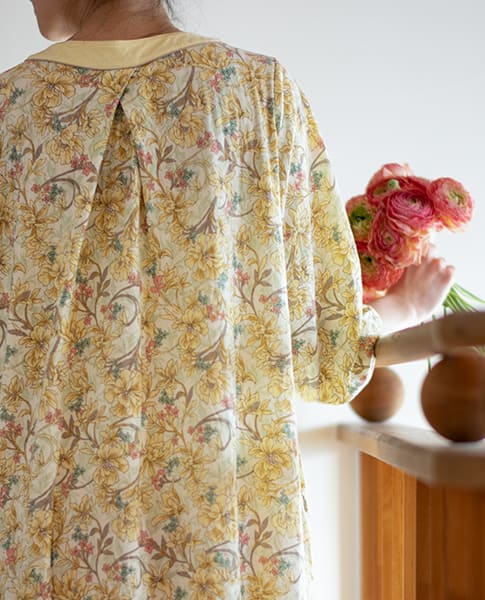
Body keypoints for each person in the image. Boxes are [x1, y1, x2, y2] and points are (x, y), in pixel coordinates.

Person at [0, 1, 453, 597]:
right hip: (216, 530)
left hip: (45, 530)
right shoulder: (257, 92)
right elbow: (322, 350)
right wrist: (401, 309)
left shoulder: (12, 108)